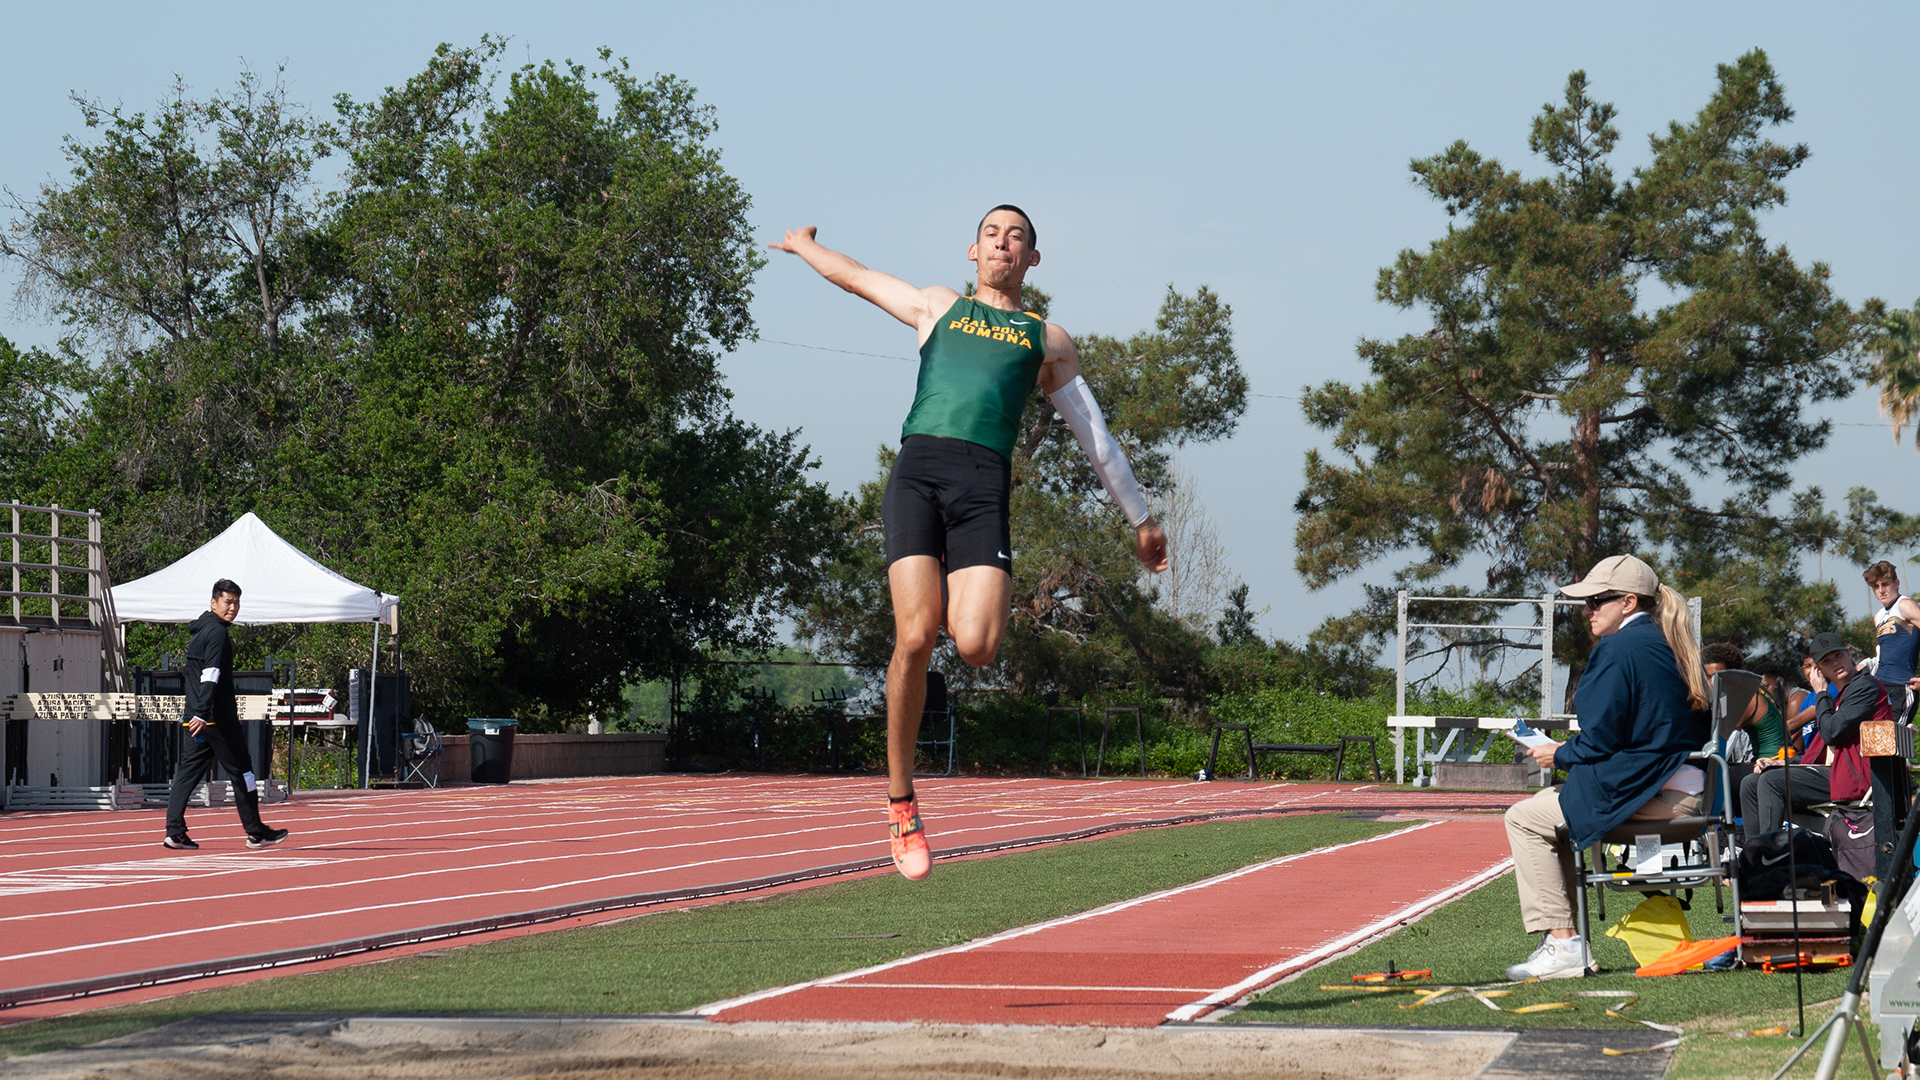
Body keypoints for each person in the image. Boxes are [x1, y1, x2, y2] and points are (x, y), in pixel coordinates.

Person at [771, 208, 1168, 880]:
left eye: (1017, 237)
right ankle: (901, 805)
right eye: (992, 234)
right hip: (919, 473)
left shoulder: (1047, 340)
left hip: (984, 483)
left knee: (978, 645)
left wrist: (1140, 517)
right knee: (916, 636)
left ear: (1032, 260)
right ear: (972, 251)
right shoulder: (938, 307)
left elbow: (1093, 435)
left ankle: (950, 622)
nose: (1003, 243)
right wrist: (807, 248)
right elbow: (860, 280)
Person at [1501, 555, 1710, 980]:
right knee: (1545, 808)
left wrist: (1556, 754)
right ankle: (1564, 942)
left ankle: (1563, 944)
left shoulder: (1619, 649)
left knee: (1522, 818)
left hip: (1659, 795)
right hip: (1688, 788)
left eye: (1597, 600)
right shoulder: (1667, 641)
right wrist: (1565, 751)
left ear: (1629, 602)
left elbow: (1602, 739)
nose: (1587, 610)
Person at [163, 580, 290, 851]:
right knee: (243, 771)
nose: (233, 608)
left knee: (187, 772)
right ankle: (256, 832)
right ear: (213, 603)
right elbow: (211, 674)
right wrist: (202, 712)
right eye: (227, 602)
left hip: (199, 718)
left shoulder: (200, 631)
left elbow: (195, 676)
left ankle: (174, 831)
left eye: (236, 603)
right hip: (215, 719)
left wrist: (196, 713)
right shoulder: (217, 633)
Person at [1740, 634, 1884, 852]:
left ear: (1849, 654)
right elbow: (1825, 751)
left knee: (1771, 781)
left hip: (1858, 777)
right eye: (1827, 661)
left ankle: (1770, 860)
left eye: (1838, 655)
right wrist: (1780, 763)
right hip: (1837, 770)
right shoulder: (1843, 694)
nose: (1835, 662)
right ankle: (1753, 859)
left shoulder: (1864, 687)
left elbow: (1831, 733)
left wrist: (1822, 693)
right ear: (1819, 670)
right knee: (1750, 782)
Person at [1864, 561, 1920, 723]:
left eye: (1885, 584)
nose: (1881, 590)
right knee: (1874, 741)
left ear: (1896, 583)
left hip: (1901, 688)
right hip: (1880, 687)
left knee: (1892, 740)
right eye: (1875, 586)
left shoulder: (1905, 605)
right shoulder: (1878, 616)